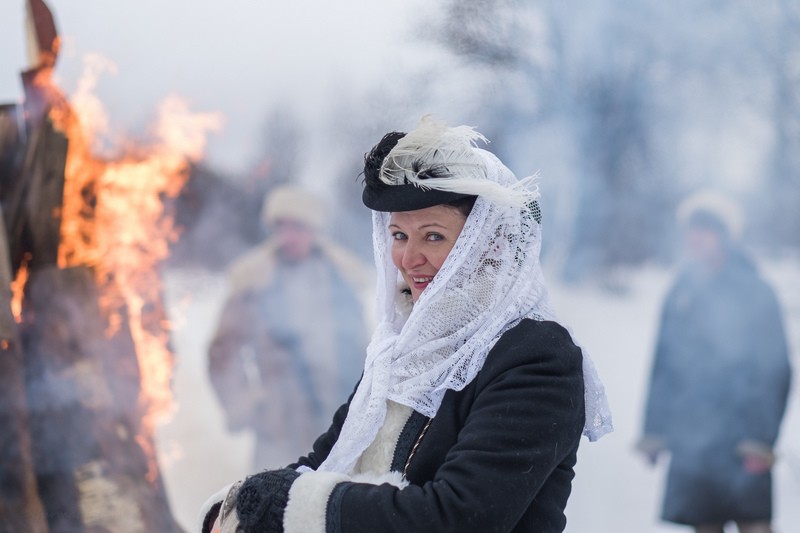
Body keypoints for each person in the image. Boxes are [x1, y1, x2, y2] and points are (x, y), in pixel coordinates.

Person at [200, 116, 612, 533]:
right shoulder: (403, 342)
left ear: (486, 242)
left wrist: (297, 506)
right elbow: (328, 460)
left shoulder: (536, 357)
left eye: (433, 236)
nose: (409, 258)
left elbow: (459, 516)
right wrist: (249, 500)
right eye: (399, 235)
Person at [638, 191, 792, 533]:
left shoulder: (755, 290)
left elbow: (776, 369)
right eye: (691, 228)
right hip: (693, 437)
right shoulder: (681, 290)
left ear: (725, 235)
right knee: (705, 524)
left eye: (705, 228)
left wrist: (761, 439)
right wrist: (654, 430)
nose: (695, 237)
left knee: (755, 525)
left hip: (743, 436)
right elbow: (664, 364)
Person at [208, 185, 371, 470]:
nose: (288, 236)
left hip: (341, 417)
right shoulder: (254, 282)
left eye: (298, 227)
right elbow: (222, 353)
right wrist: (248, 403)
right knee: (276, 502)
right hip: (280, 425)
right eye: (281, 227)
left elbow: (363, 345)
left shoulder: (341, 277)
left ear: (314, 229)